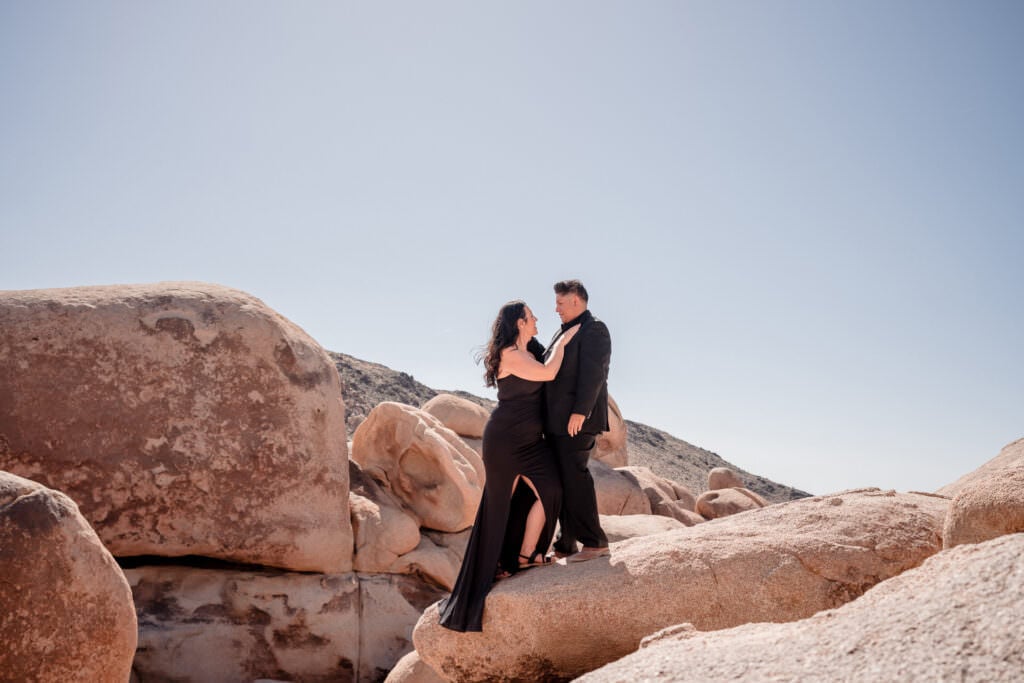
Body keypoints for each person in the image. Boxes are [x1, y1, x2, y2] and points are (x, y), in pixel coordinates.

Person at [438, 300, 579, 632]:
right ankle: (484, 582)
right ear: (519, 322)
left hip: (532, 443)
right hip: (504, 441)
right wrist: (565, 341)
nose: (537, 319)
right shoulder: (510, 355)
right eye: (531, 316)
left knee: (552, 490)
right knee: (497, 508)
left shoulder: (530, 350)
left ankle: (526, 555)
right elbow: (549, 373)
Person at [544, 279, 612, 563]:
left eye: (560, 302)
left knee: (575, 476)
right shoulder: (563, 331)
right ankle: (566, 543)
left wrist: (580, 412)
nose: (556, 308)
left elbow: (594, 374)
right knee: (564, 479)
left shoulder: (594, 329)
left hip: (577, 420)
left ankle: (595, 542)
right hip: (558, 421)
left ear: (575, 300)